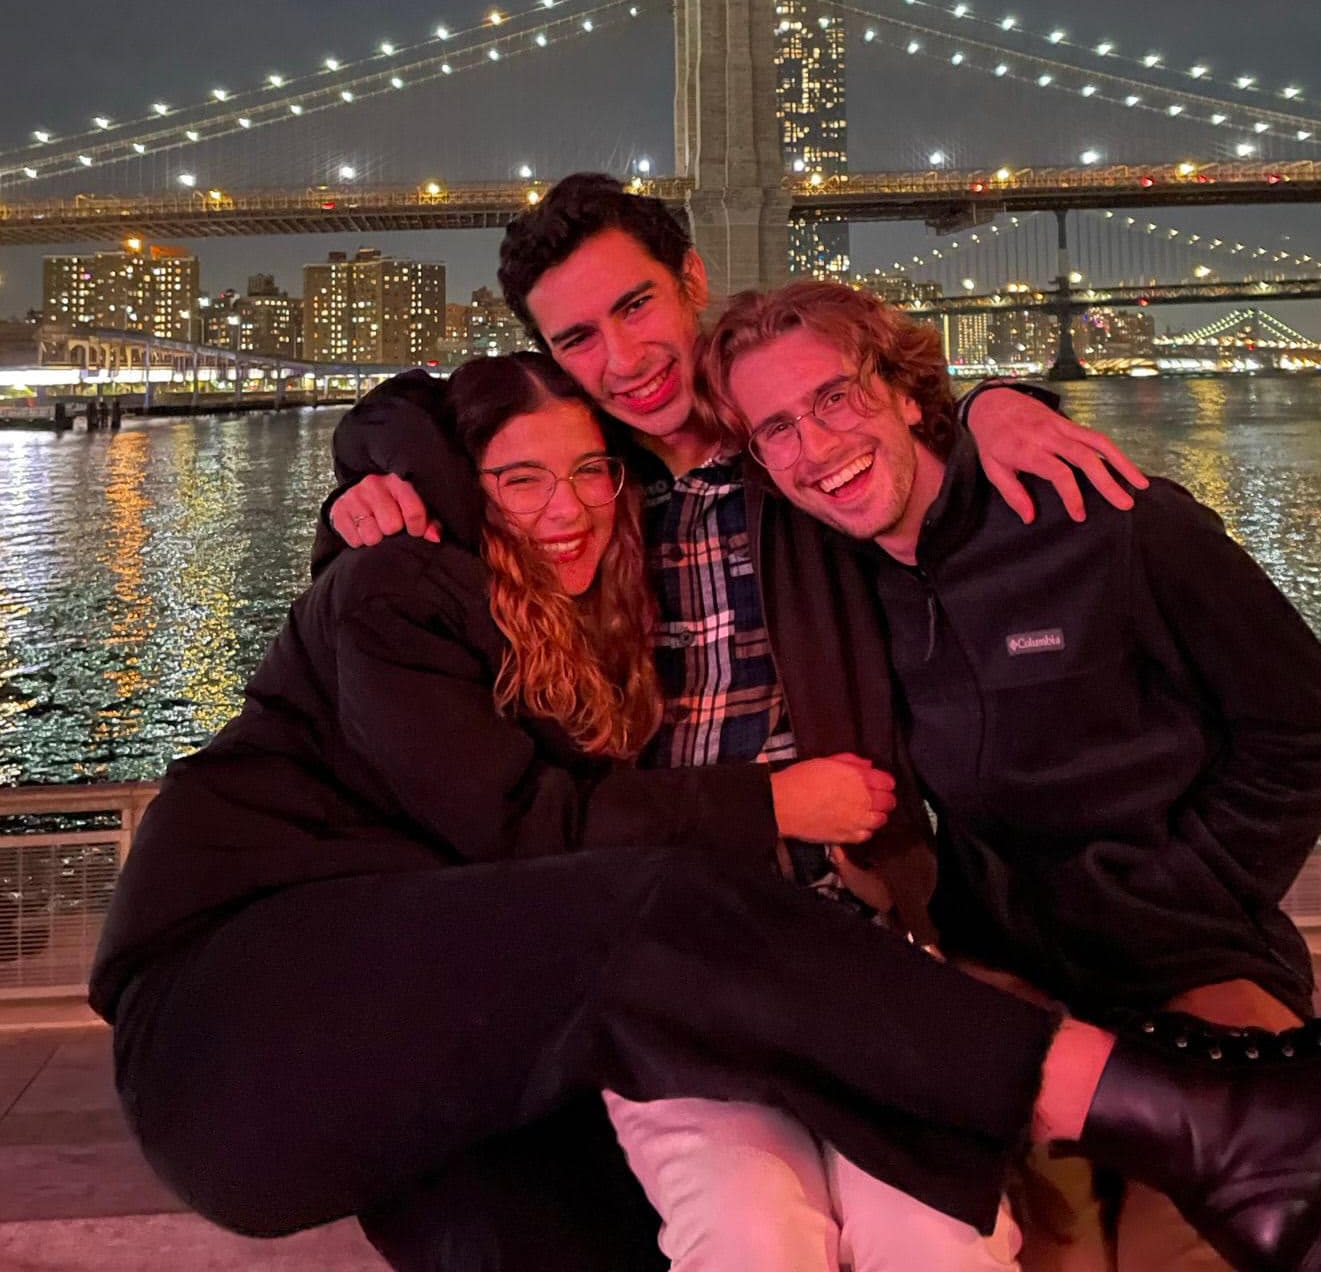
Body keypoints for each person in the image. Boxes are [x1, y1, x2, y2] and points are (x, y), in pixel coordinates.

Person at [88, 343, 1321, 1272]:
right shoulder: (399, 587)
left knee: (570, 1241)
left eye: (592, 472)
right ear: (463, 491)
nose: (571, 509)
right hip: (245, 1000)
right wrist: (771, 809)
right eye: (519, 479)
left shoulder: (615, 614)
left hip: (435, 1042)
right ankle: (1200, 1119)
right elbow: (523, 835)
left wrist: (990, 394)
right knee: (658, 913)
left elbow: (843, 424)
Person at [320, 172, 1150, 1265]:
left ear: (693, 279)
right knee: (751, 1240)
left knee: (938, 1239)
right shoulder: (579, 481)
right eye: (576, 336)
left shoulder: (798, 450)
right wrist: (363, 472)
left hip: (855, 922)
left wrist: (997, 397)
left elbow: (895, 405)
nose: (621, 358)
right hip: (665, 945)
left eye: (637, 305)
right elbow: (420, 415)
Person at [700, 279, 1321, 1270]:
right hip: (1017, 996)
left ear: (903, 389)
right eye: (777, 426)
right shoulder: (851, 574)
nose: (816, 445)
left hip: (1192, 978)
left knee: (1186, 1249)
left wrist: (1171, 895)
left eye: (837, 397)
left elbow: (1309, 728)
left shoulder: (1109, 519)